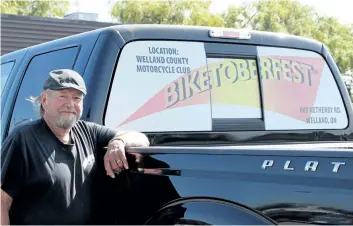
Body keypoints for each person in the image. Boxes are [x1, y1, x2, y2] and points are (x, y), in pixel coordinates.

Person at [0, 69, 150, 225]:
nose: (70, 104)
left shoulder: (89, 132)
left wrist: (118, 142)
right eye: (62, 96)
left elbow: (141, 139)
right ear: (44, 100)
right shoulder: (23, 139)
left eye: (77, 98)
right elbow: (2, 201)